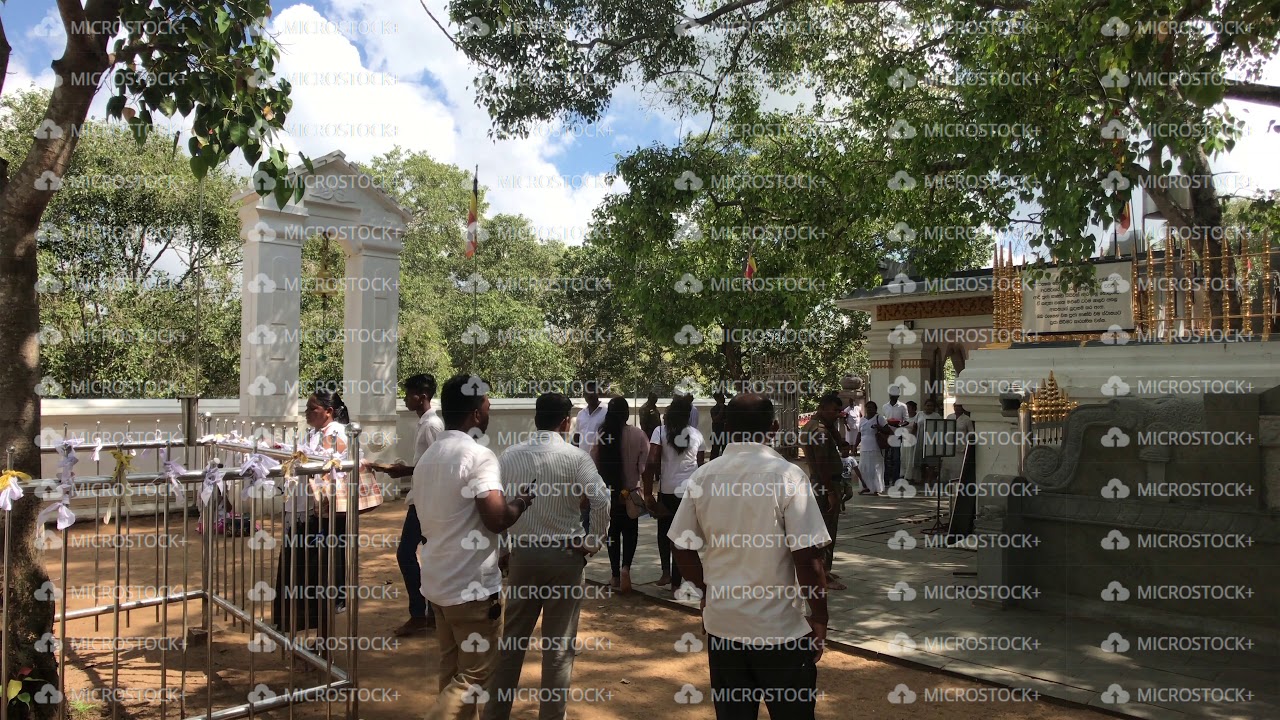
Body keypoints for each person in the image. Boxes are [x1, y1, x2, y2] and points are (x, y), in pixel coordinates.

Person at [669, 394, 831, 720]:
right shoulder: (788, 476)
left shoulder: (704, 477)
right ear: (773, 428)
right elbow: (808, 559)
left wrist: (705, 591)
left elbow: (681, 547)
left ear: (726, 427)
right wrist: (820, 617)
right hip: (780, 631)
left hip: (724, 626)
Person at [414, 374, 534, 720]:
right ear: (476, 413)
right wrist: (521, 503)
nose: (489, 408)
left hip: (437, 583)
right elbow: (496, 518)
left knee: (450, 671)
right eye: (486, 404)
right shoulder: (479, 456)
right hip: (472, 588)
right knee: (474, 676)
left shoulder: (429, 457)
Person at [484, 393, 609, 720]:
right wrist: (592, 541)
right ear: (565, 422)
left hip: (523, 557)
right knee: (558, 649)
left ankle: (495, 714)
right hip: (566, 558)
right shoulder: (576, 457)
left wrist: (505, 547)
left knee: (511, 644)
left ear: (536, 419)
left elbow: (495, 508)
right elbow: (602, 500)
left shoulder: (509, 456)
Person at [369, 374, 444, 636]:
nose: (405, 398)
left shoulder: (432, 426)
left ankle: (421, 612)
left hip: (426, 501)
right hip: (423, 498)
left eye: (409, 394)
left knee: (406, 553)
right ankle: (431, 612)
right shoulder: (425, 424)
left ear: (421, 397)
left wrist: (402, 470)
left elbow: (439, 464)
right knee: (425, 554)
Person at [274, 388, 349, 635]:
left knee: (320, 567)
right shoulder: (316, 432)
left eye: (312, 409)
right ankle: (299, 621)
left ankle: (323, 623)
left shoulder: (336, 433)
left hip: (323, 510)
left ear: (328, 411)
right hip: (308, 508)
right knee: (304, 564)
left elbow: (325, 462)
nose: (307, 413)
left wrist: (298, 456)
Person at [642, 394, 705, 596]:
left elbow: (651, 461)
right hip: (689, 493)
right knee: (683, 537)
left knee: (664, 533)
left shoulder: (659, 432)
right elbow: (701, 467)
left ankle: (665, 573)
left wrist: (647, 492)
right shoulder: (697, 435)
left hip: (667, 491)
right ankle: (677, 582)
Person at [589, 396, 648, 593]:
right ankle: (626, 569)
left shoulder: (602, 435)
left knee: (612, 534)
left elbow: (593, 461)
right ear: (626, 414)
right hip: (631, 495)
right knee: (631, 532)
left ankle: (614, 576)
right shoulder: (639, 435)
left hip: (609, 494)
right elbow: (643, 466)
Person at [802, 392, 849, 591]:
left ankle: (823, 568)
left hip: (820, 483)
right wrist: (831, 492)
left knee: (822, 529)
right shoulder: (820, 432)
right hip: (825, 485)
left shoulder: (814, 427)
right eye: (835, 410)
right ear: (823, 408)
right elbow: (823, 465)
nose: (838, 414)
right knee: (827, 530)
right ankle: (824, 574)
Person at [855, 401, 889, 496]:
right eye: (868, 407)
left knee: (875, 468)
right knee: (864, 468)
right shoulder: (862, 420)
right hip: (864, 448)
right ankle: (865, 488)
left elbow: (887, 430)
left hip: (875, 446)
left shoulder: (879, 418)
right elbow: (859, 434)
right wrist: (854, 446)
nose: (869, 409)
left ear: (875, 409)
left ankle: (876, 489)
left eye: (871, 407)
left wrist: (879, 427)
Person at [915, 398, 944, 490]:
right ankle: (922, 479)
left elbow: (940, 428)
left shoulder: (936, 416)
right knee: (921, 461)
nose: (929, 407)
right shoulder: (919, 414)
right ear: (924, 406)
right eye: (928, 405)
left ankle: (929, 480)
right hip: (920, 439)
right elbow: (915, 426)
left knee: (931, 462)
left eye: (931, 406)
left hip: (932, 440)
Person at [881, 386, 909, 484]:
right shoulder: (885, 406)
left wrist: (899, 425)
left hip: (898, 434)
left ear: (898, 395)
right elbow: (883, 419)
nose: (893, 396)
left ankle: (896, 479)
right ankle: (886, 479)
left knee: (896, 458)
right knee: (886, 457)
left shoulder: (902, 406)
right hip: (887, 434)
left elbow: (906, 420)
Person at [900, 400, 919, 485]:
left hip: (912, 440)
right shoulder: (904, 418)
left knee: (910, 458)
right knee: (904, 457)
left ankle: (910, 476)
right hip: (904, 439)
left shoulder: (916, 417)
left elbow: (915, 428)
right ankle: (903, 474)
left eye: (908, 408)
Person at [709, 391, 729, 459]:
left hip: (726, 434)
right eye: (721, 397)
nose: (724, 399)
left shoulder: (728, 409)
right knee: (715, 452)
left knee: (726, 452)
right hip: (717, 433)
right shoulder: (714, 409)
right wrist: (721, 409)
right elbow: (715, 419)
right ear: (717, 399)